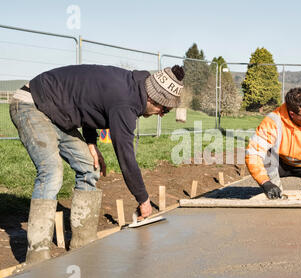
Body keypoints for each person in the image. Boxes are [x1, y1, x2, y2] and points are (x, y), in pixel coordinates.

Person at [9, 64, 184, 264]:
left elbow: (90, 105)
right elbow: (126, 156)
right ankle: (37, 258)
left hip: (58, 114)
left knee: (89, 166)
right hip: (32, 104)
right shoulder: (126, 102)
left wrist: (91, 143)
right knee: (52, 171)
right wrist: (143, 199)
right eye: (165, 109)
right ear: (154, 99)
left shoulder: (132, 88)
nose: (162, 114)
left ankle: (83, 243)